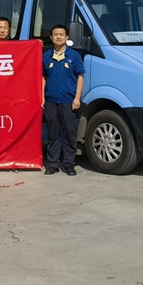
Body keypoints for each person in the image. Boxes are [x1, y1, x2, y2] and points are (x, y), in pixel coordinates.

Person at [42, 24, 84, 176]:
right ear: (51, 37)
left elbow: (80, 77)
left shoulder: (74, 56)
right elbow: (43, 77)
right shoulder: (46, 56)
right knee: (53, 133)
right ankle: (53, 164)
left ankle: (69, 164)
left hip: (68, 100)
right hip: (51, 100)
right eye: (55, 34)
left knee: (69, 133)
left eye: (61, 34)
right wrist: (42, 97)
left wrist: (77, 98)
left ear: (67, 37)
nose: (58, 37)